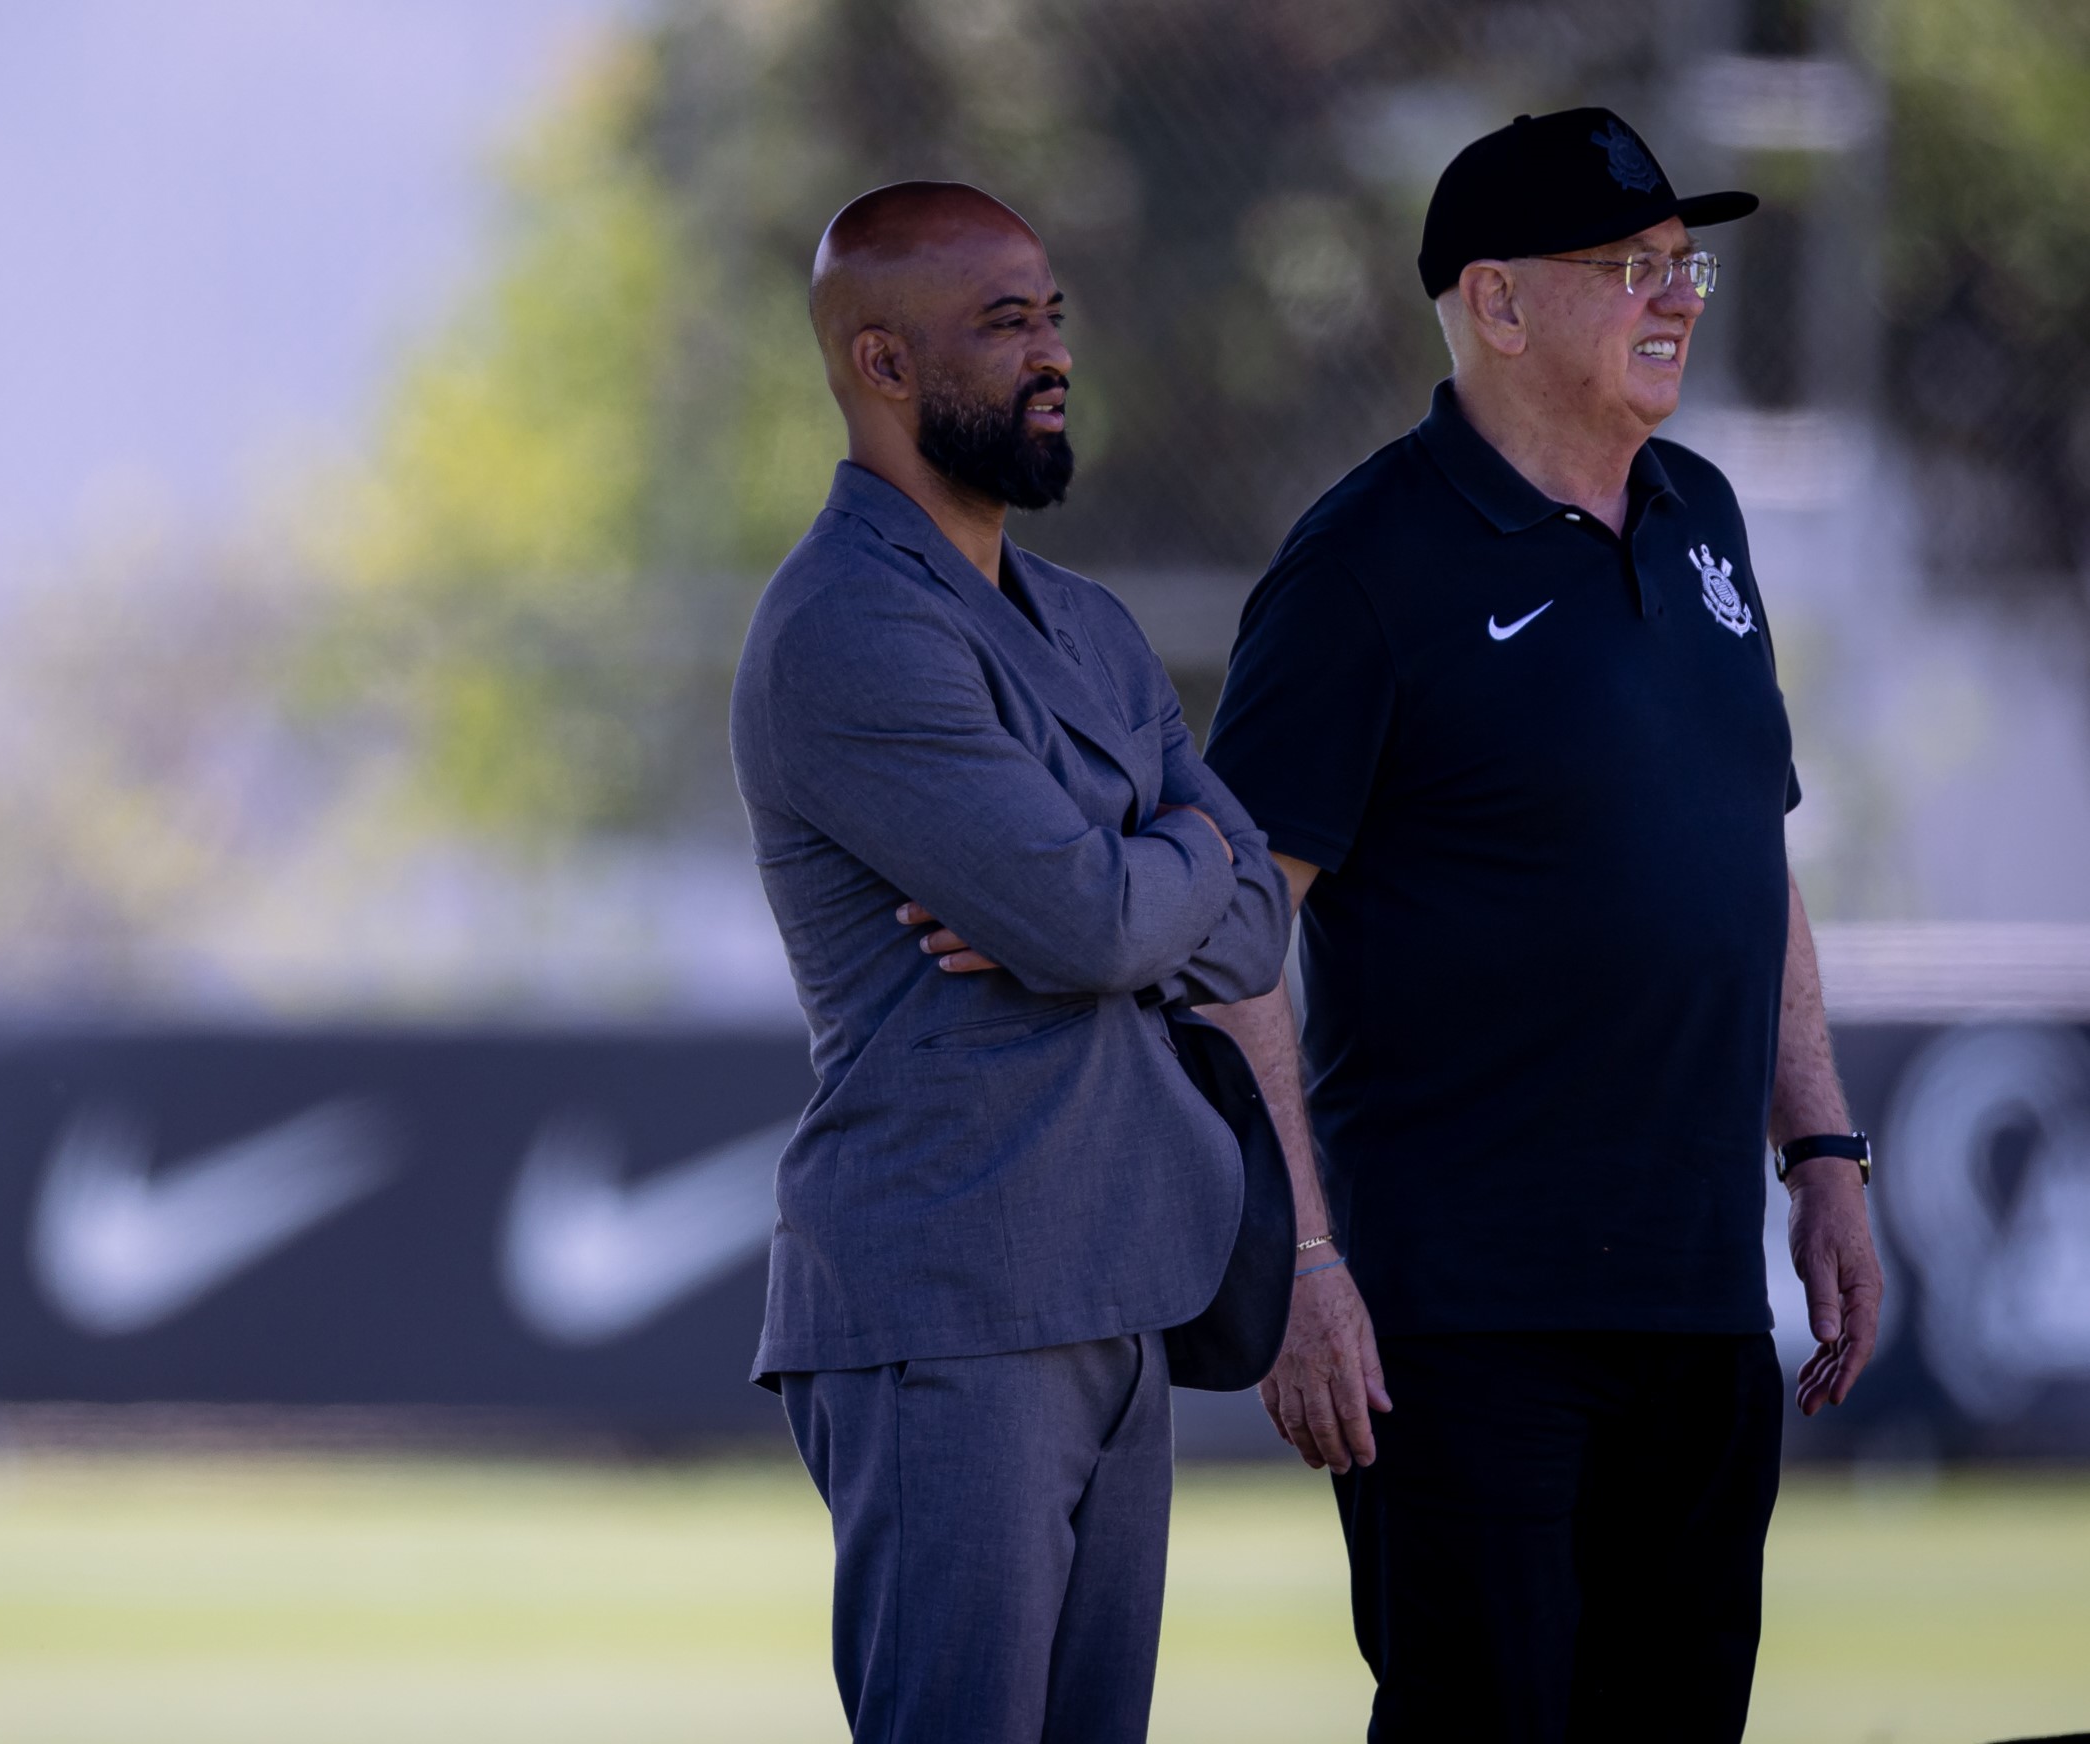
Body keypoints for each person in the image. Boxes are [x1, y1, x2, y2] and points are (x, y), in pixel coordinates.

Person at [1194, 109, 1887, 1741]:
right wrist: (1300, 1260)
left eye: (1682, 263)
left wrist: (1828, 1156)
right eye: (1627, 268)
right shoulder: (1363, 567)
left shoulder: (1704, 514)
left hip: (1700, 1306)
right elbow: (1229, 953)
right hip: (1465, 1324)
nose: (1679, 298)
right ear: (1494, 305)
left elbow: (1747, 859)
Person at [728, 181, 1291, 1744]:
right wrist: (1146, 872)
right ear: (883, 367)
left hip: (1120, 1292)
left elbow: (1256, 921)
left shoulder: (1092, 628)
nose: (1052, 352)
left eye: (1052, 313)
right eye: (1003, 322)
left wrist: (1114, 881)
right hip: (951, 1305)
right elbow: (1108, 921)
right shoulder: (847, 625)